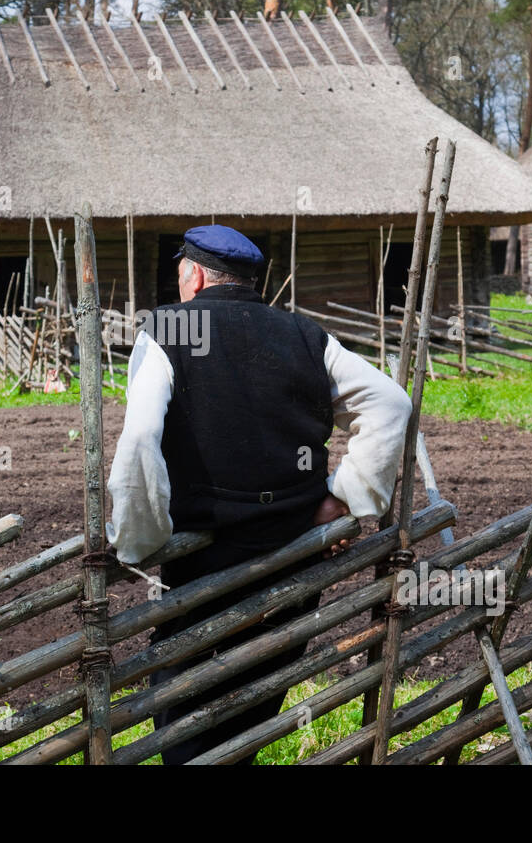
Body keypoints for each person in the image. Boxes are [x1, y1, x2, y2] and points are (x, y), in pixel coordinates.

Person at [106, 225, 412, 764]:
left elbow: (138, 438)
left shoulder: (168, 329)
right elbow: (390, 404)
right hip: (292, 548)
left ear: (194, 275)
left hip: (205, 554)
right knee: (260, 681)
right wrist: (344, 497)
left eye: (181, 274)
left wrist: (139, 538)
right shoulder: (305, 335)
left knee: (183, 694)